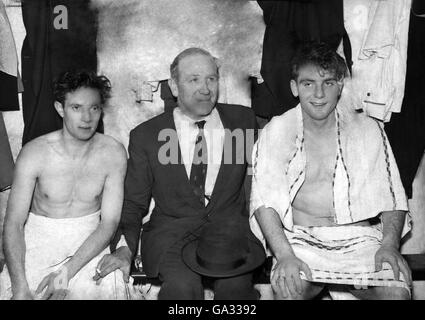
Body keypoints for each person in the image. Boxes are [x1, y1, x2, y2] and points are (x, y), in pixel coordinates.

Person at [94, 47, 265, 300]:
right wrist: (125, 249)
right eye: (193, 80)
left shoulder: (242, 120)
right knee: (182, 290)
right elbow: (133, 203)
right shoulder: (147, 136)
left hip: (229, 234)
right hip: (172, 235)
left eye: (211, 79)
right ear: (174, 86)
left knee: (235, 292)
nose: (205, 88)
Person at [250, 41, 412, 300]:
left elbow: (392, 194)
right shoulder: (276, 131)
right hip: (302, 240)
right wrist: (285, 255)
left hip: (361, 239)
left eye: (328, 83)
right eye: (308, 83)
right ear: (294, 87)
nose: (319, 94)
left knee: (396, 291)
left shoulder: (367, 129)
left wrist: (390, 245)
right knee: (288, 290)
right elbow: (263, 202)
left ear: (340, 85)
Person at [0, 70, 128, 300]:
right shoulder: (35, 153)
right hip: (38, 245)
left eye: (94, 108)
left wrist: (65, 274)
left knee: (111, 287)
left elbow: (109, 222)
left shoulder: (114, 153)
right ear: (61, 108)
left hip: (88, 246)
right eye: (76, 108)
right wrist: (20, 287)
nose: (87, 118)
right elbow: (14, 223)